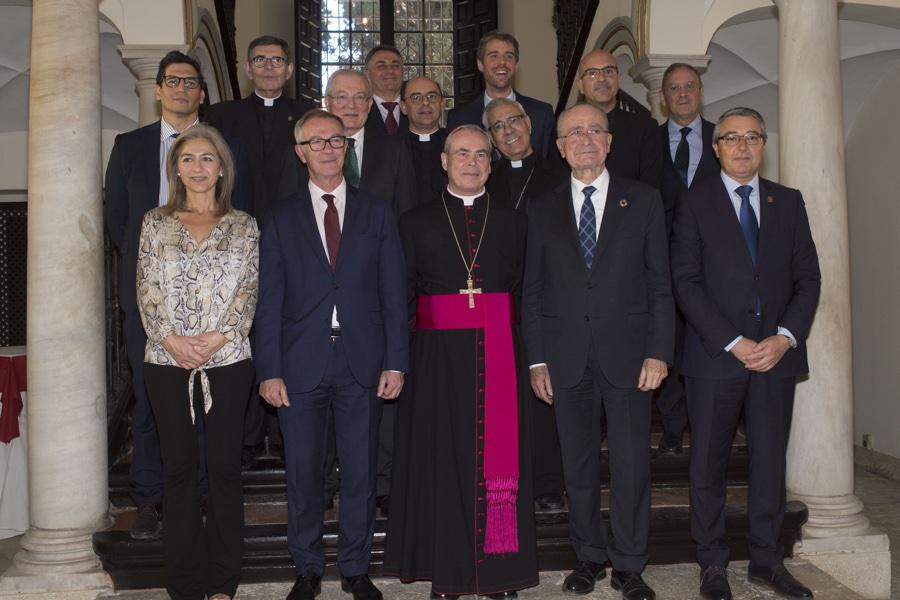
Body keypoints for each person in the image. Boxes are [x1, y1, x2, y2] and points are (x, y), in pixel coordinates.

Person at [522, 103, 674, 600]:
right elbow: (533, 291)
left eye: (594, 131)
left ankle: (629, 564)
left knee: (631, 465)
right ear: (560, 148)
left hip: (630, 357)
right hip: (565, 357)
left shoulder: (644, 200)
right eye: (574, 133)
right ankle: (588, 555)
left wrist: (659, 351)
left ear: (609, 142)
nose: (585, 139)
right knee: (578, 465)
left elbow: (660, 284)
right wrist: (537, 359)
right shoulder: (541, 208)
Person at [256, 109, 408, 600]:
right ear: (300, 152)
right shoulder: (279, 218)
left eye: (336, 141)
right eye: (316, 142)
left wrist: (396, 360)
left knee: (361, 472)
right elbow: (269, 301)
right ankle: (307, 568)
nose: (328, 149)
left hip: (363, 361)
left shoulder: (376, 212)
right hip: (299, 363)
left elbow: (394, 293)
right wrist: (269, 370)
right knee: (303, 473)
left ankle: (355, 569)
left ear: (348, 148)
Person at [670, 107, 820, 600]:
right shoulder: (693, 202)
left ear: (763, 145)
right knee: (707, 466)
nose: (742, 146)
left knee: (769, 463)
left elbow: (808, 278)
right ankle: (712, 564)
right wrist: (734, 341)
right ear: (716, 148)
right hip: (715, 357)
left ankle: (767, 560)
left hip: (776, 357)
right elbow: (685, 281)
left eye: (751, 137)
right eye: (731, 138)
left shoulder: (788, 201)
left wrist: (784, 337)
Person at [384, 125, 538, 599]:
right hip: (435, 360)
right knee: (440, 459)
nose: (472, 162)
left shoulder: (515, 222)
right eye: (462, 153)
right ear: (444, 161)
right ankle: (445, 572)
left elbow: (527, 294)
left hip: (502, 353)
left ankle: (500, 574)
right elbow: (400, 297)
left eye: (481, 155)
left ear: (491, 164)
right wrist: (398, 360)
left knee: (499, 462)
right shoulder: (414, 222)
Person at [105, 50, 251, 541]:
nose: (182, 89)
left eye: (190, 82)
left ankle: (201, 493)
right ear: (159, 89)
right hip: (152, 306)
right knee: (151, 405)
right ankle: (149, 498)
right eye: (173, 81)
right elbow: (119, 221)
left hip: (217, 311)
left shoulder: (227, 149)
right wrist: (158, 292)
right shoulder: (129, 146)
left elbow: (241, 220)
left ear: (202, 93)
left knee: (210, 411)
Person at [136, 124, 258, 600]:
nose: (198, 167)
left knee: (225, 471)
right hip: (166, 361)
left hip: (227, 359)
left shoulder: (244, 224)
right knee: (179, 471)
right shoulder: (155, 223)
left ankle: (223, 581)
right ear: (176, 168)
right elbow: (146, 288)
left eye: (208, 158)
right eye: (188, 159)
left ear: (222, 167)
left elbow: (248, 289)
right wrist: (171, 340)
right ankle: (185, 583)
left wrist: (216, 338)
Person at [204, 34, 309, 468]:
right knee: (240, 335)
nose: (268, 67)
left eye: (277, 60)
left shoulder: (308, 114)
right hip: (235, 244)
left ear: (289, 69)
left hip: (295, 239)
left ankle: (284, 433)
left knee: (289, 331)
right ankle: (246, 436)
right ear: (248, 69)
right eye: (260, 60)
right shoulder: (221, 116)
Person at [652, 62, 720, 457]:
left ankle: (708, 423)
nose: (682, 94)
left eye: (689, 86)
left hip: (713, 261)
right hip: (662, 257)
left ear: (701, 92)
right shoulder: (648, 141)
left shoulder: (721, 137)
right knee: (670, 340)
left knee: (708, 340)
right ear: (663, 97)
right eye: (674, 88)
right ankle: (673, 426)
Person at [278, 68, 417, 218]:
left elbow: (406, 213)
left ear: (370, 104)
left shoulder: (394, 149)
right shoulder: (304, 149)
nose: (351, 105)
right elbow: (287, 212)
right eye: (342, 97)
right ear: (327, 102)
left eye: (359, 97)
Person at [446, 32, 556, 160]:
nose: (502, 62)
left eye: (509, 56)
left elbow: (553, 166)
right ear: (480, 64)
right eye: (494, 56)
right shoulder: (459, 117)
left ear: (516, 65)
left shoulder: (541, 113)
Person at [576, 50, 662, 188]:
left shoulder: (644, 128)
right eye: (592, 73)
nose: (602, 78)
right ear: (580, 85)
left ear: (619, 79)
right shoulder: (565, 131)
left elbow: (650, 188)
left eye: (609, 71)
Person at [484, 97, 565, 213]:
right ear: (492, 138)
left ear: (528, 123)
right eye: (498, 126)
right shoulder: (484, 178)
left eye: (513, 120)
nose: (508, 130)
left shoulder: (561, 177)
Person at [400, 75, 447, 204]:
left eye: (432, 96)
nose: (425, 103)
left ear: (442, 104)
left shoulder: (456, 144)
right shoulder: (390, 150)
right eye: (416, 98)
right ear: (403, 107)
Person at [364, 45, 409, 138]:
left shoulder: (414, 107)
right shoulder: (360, 110)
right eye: (381, 66)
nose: (390, 70)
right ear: (367, 74)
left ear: (403, 72)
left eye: (395, 66)